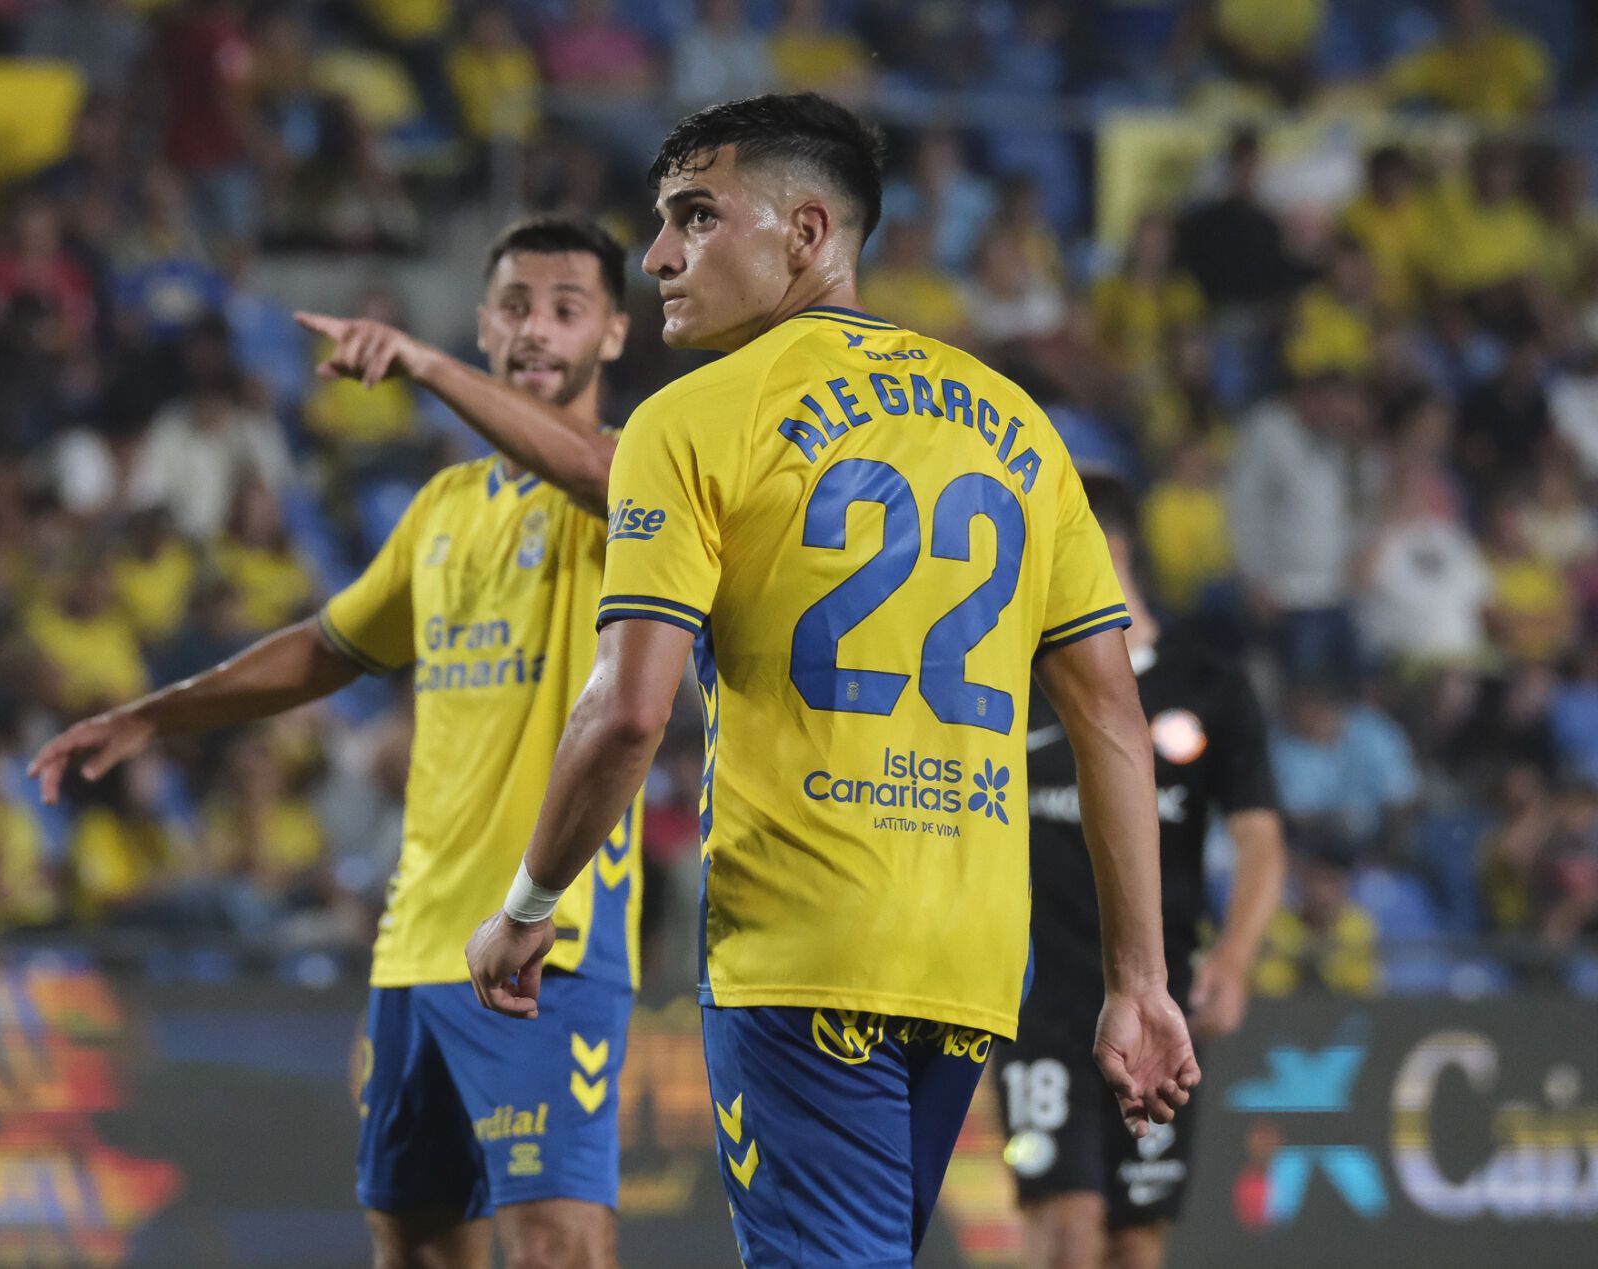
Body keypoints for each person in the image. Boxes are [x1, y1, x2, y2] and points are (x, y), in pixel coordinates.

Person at [464, 94, 1199, 1268]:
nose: (657, 256)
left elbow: (628, 713)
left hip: (801, 941)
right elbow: (1110, 715)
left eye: (694, 217)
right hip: (968, 959)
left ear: (806, 233)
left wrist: (528, 904)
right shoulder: (1019, 427)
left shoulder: (688, 421)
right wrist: (1139, 981)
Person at [31, 218, 643, 1269]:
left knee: (557, 1248)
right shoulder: (445, 506)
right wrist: (155, 713)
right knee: (414, 1248)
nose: (536, 330)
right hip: (418, 948)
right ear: (484, 321)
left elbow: (591, 465)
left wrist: (423, 366)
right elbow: (327, 647)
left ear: (615, 334)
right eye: (514, 306)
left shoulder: (635, 475)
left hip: (554, 941)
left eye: (565, 309)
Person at [999, 476, 1286, 1269]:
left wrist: (1235, 955)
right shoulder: (1013, 675)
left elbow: (1260, 836)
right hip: (1036, 1000)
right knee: (1066, 1230)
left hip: (1159, 995)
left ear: (1103, 547)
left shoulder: (1207, 686)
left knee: (1135, 1238)